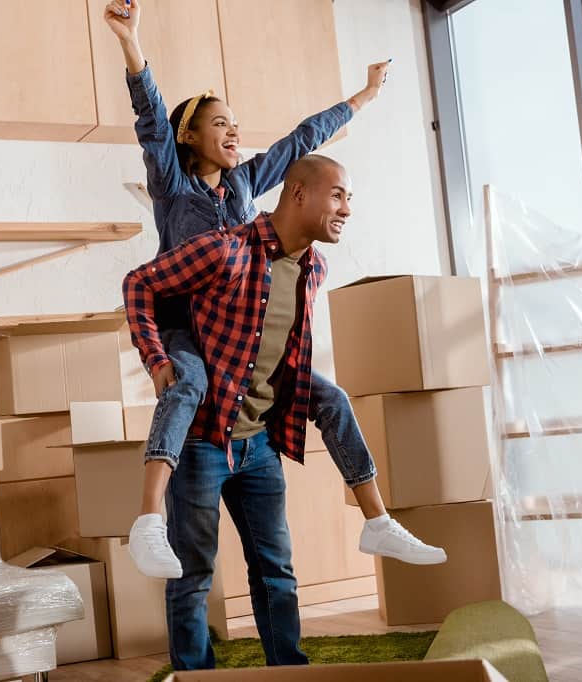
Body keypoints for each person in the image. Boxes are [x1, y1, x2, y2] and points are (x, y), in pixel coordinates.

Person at [103, 0, 441, 580]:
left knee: (329, 398)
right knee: (188, 384)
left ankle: (377, 520)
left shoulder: (243, 184)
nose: (233, 129)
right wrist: (132, 44)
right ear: (190, 137)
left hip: (236, 331)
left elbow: (302, 140)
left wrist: (364, 97)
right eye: (218, 122)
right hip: (185, 324)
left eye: (234, 121)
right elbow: (152, 118)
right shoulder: (173, 183)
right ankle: (147, 522)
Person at [123, 155, 447, 669]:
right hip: (204, 442)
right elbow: (139, 283)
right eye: (338, 195)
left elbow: (283, 353)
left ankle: (290, 673)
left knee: (276, 572)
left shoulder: (315, 266)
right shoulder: (225, 251)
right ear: (298, 194)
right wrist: (157, 357)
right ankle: (194, 677)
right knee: (193, 576)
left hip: (259, 447)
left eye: (349, 199)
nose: (346, 209)